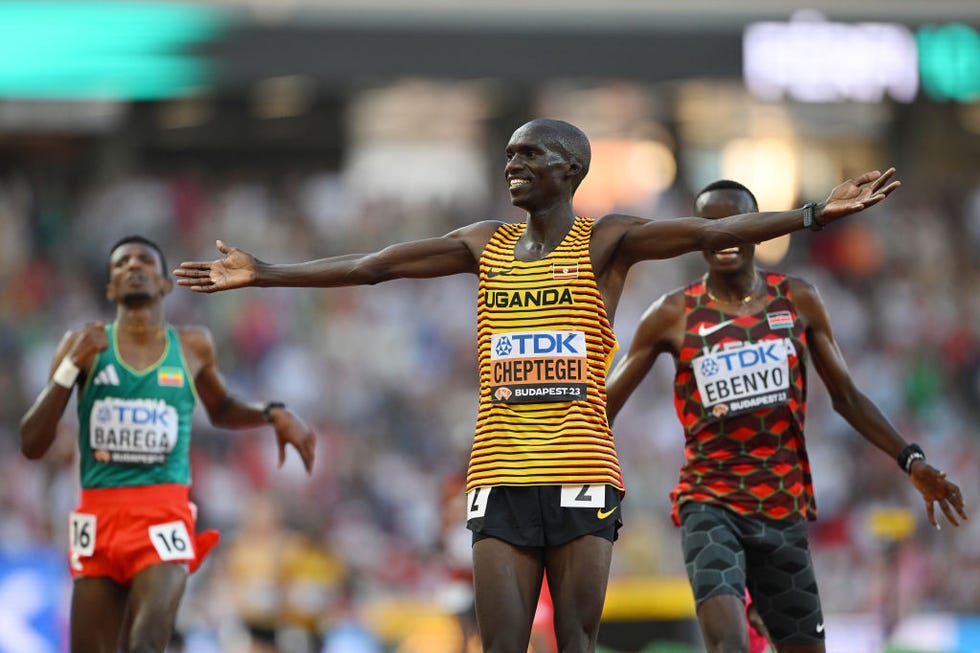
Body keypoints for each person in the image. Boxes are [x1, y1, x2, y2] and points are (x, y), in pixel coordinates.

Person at [174, 118, 900, 652]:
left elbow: (703, 233)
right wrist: (265, 271)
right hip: (498, 470)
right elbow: (375, 265)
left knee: (576, 644)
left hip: (583, 472)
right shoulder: (481, 244)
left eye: (530, 155)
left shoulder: (607, 240)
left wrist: (810, 215)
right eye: (510, 154)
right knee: (501, 647)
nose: (513, 164)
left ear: (570, 169)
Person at [604, 180, 968, 652]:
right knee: (726, 643)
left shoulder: (797, 300)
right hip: (709, 501)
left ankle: (763, 604)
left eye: (737, 224)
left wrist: (911, 460)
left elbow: (847, 396)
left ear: (759, 232)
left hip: (781, 506)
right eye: (710, 227)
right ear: (695, 237)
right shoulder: (673, 312)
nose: (724, 237)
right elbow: (603, 404)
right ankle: (741, 608)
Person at [19, 235, 317, 653]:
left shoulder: (192, 345)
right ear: (110, 287)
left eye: (144, 261)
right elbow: (32, 444)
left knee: (147, 641)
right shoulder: (83, 344)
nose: (133, 266)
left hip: (163, 514)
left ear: (164, 284)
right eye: (122, 263)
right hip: (98, 515)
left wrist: (272, 412)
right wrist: (69, 367)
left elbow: (222, 408)